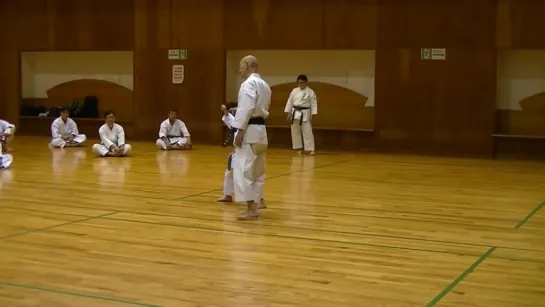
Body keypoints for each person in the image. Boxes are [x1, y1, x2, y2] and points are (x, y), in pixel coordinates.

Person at [231, 55, 271, 220]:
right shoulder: (265, 85)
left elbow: (246, 108)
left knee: (245, 169)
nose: (239, 69)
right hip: (261, 131)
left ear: (247, 65)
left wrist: (239, 130)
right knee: (258, 171)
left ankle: (251, 208)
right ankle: (257, 202)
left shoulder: (248, 84)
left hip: (249, 131)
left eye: (241, 66)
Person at [216, 104, 265, 207]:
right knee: (229, 173)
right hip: (236, 152)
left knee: (253, 175)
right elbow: (230, 120)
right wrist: (225, 112)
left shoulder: (250, 123)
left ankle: (260, 199)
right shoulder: (237, 123)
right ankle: (228, 195)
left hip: (247, 151)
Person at [284, 74, 318, 155]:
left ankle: (310, 149)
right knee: (295, 131)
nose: (301, 84)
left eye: (302, 83)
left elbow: (314, 104)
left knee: (307, 131)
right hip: (295, 112)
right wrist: (288, 112)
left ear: (306, 83)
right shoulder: (294, 91)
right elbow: (290, 102)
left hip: (305, 113)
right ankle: (298, 148)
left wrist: (312, 114)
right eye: (299, 83)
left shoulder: (310, 92)